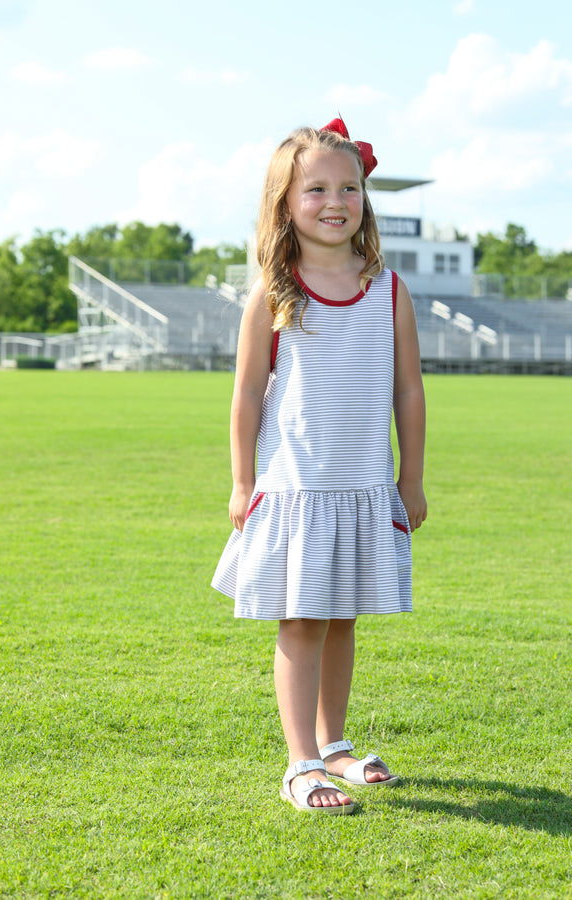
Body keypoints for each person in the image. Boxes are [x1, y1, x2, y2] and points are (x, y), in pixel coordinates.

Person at [212, 117, 427, 814]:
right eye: (317, 190)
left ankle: (334, 745)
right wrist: (243, 481)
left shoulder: (387, 289)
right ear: (285, 204)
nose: (337, 202)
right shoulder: (274, 294)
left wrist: (410, 478)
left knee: (344, 619)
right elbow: (247, 393)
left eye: (350, 187)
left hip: (362, 485)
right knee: (302, 620)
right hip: (296, 488)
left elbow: (408, 388)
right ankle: (299, 762)